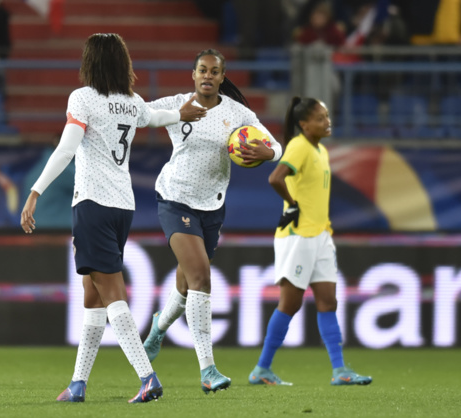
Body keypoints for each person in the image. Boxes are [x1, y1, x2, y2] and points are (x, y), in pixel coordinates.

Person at [20, 33, 206, 404]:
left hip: (92, 203)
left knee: (110, 291)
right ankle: (78, 384)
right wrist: (180, 114)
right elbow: (153, 117)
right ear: (122, 63)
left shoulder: (83, 99)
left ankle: (147, 376)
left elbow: (66, 149)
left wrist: (35, 191)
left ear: (90, 63)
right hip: (123, 206)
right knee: (93, 293)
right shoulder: (130, 102)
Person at [142, 48, 282, 394]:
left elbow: (275, 146)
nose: (207, 75)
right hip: (175, 198)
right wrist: (174, 114)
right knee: (201, 276)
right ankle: (208, 370)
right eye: (201, 70)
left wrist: (269, 153)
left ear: (222, 77)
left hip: (212, 206)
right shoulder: (178, 102)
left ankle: (159, 327)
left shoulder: (238, 113)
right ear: (193, 74)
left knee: (187, 283)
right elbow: (140, 114)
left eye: (214, 71)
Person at [244, 96, 372, 386]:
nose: (327, 122)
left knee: (329, 301)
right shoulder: (300, 146)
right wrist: (291, 204)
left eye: (327, 116)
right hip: (298, 236)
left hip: (321, 235)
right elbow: (275, 178)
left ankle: (340, 371)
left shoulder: (320, 150)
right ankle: (261, 369)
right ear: (304, 124)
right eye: (320, 118)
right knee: (289, 304)